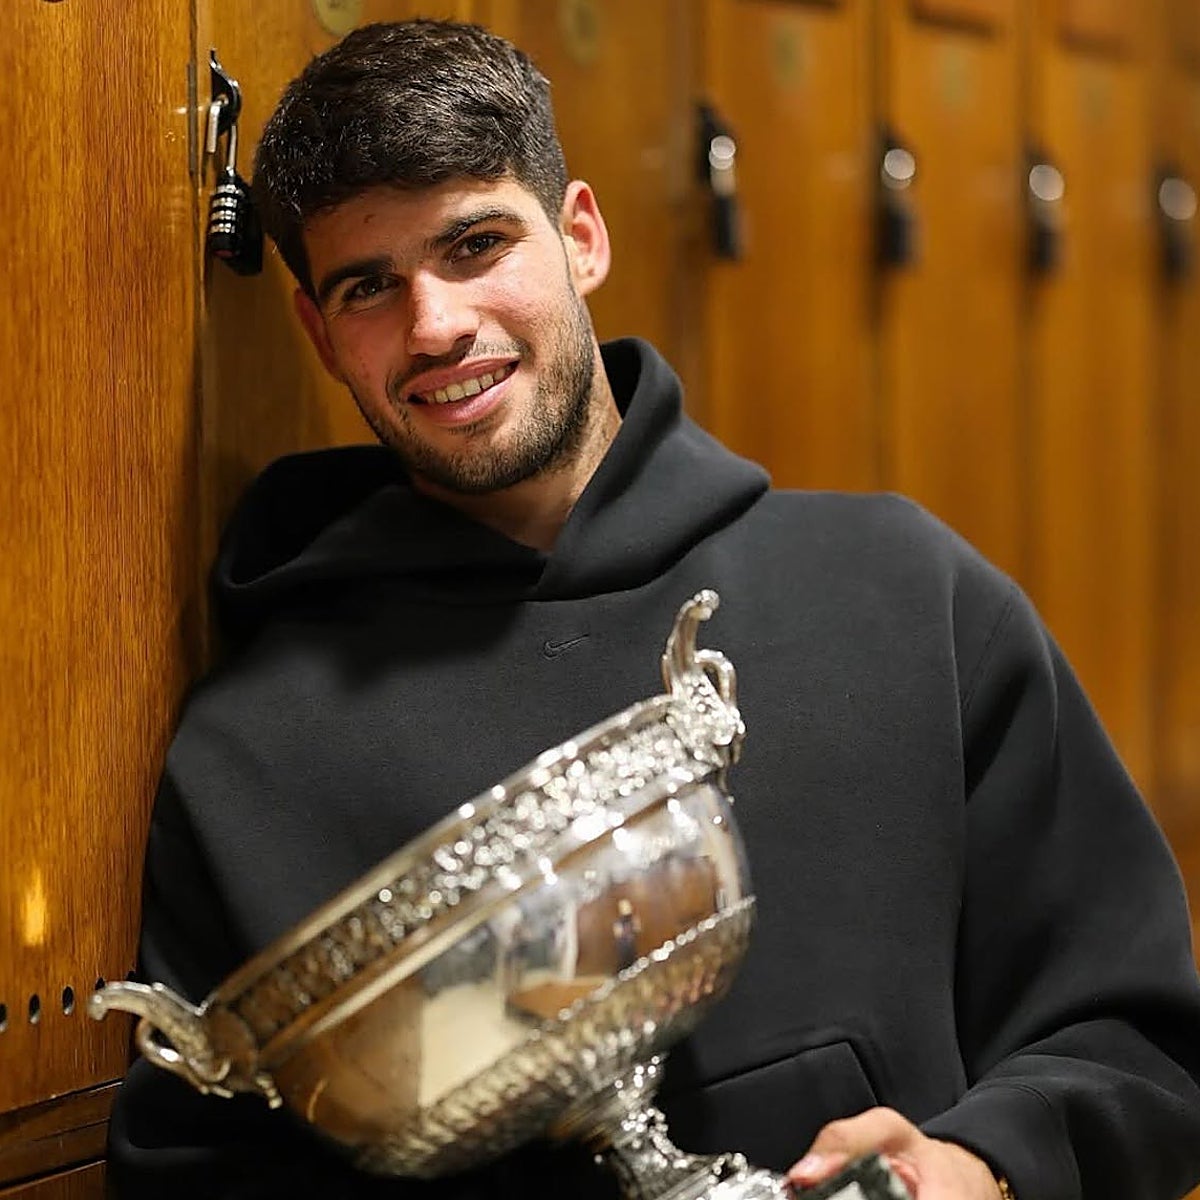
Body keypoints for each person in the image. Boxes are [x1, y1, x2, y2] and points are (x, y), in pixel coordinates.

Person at [108, 18, 1200, 1200]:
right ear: (321, 335)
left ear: (581, 236)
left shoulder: (909, 600)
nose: (435, 326)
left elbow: (1139, 1042)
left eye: (476, 244)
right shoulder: (249, 758)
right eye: (369, 286)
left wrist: (983, 1167)